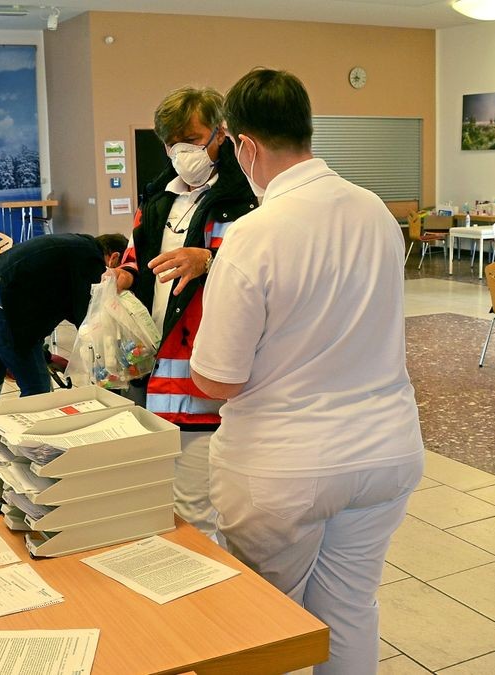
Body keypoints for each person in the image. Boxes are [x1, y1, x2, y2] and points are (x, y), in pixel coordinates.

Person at [189, 68, 424, 674]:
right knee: (347, 609)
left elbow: (219, 380)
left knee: (263, 622)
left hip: (284, 466)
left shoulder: (253, 233)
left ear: (246, 145)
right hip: (384, 452)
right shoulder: (375, 212)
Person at [113, 86, 256, 537]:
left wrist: (208, 260)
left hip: (211, 374)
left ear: (220, 134)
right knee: (168, 500)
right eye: (174, 143)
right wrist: (124, 276)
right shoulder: (158, 199)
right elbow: (139, 256)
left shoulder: (247, 198)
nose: (184, 152)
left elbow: (263, 265)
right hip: (158, 374)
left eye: (194, 139)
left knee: (200, 511)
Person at [0, 232, 128, 427]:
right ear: (115, 258)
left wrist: (45, 355)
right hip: (2, 306)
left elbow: (49, 299)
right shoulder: (90, 259)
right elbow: (86, 314)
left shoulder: (75, 245)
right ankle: (32, 445)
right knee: (37, 387)